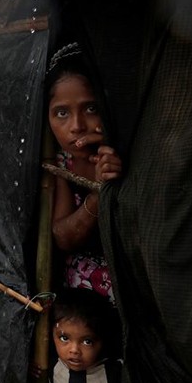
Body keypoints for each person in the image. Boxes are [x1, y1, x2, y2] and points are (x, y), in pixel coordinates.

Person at [46, 43, 122, 303]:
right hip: (85, 298)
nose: (77, 126)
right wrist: (98, 195)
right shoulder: (60, 164)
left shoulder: (125, 149)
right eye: (62, 113)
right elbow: (63, 237)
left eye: (91, 109)